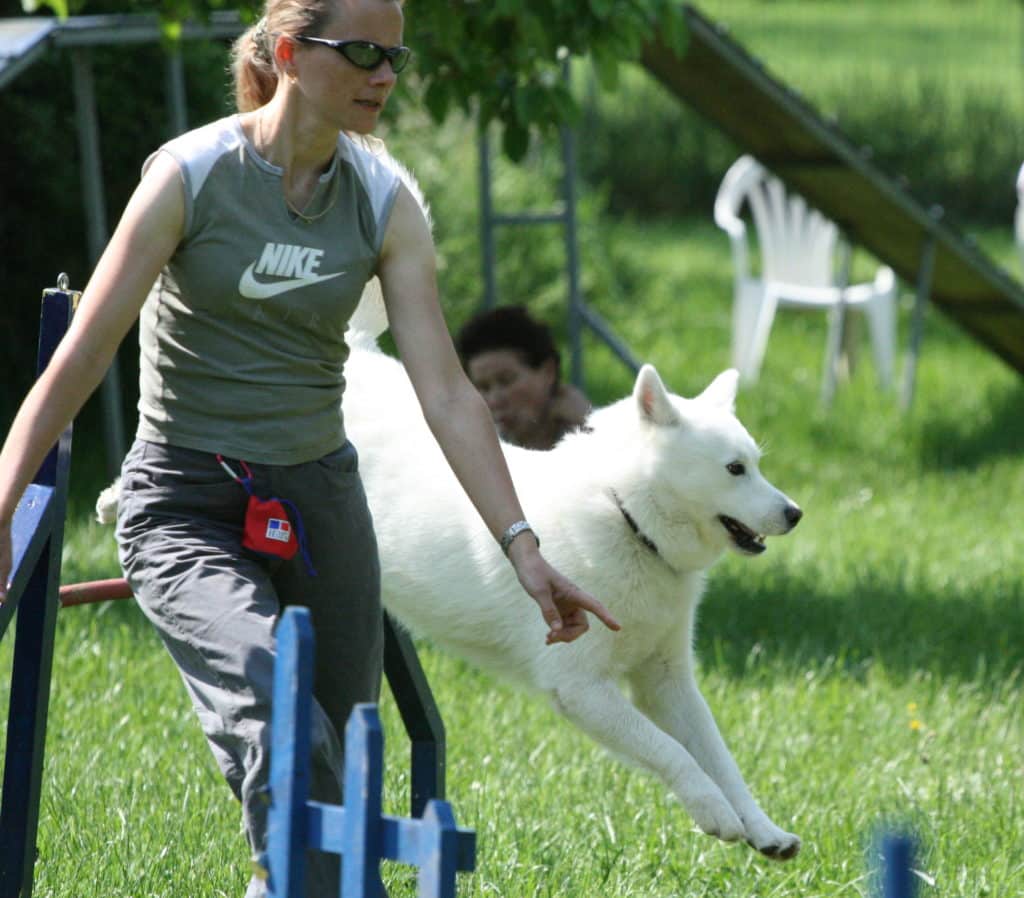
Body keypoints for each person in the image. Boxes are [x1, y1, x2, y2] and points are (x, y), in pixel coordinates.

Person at [0, 1, 620, 894]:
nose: (385, 76)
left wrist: (523, 546)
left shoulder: (382, 201)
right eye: (364, 52)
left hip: (320, 498)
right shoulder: (192, 175)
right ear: (290, 52)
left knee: (340, 778)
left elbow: (445, 390)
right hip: (184, 499)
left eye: (396, 57)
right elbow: (85, 352)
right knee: (280, 722)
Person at [456, 304, 592, 450]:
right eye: (483, 387)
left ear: (548, 372)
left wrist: (592, 425)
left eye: (506, 381)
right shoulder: (476, 451)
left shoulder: (593, 441)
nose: (494, 399)